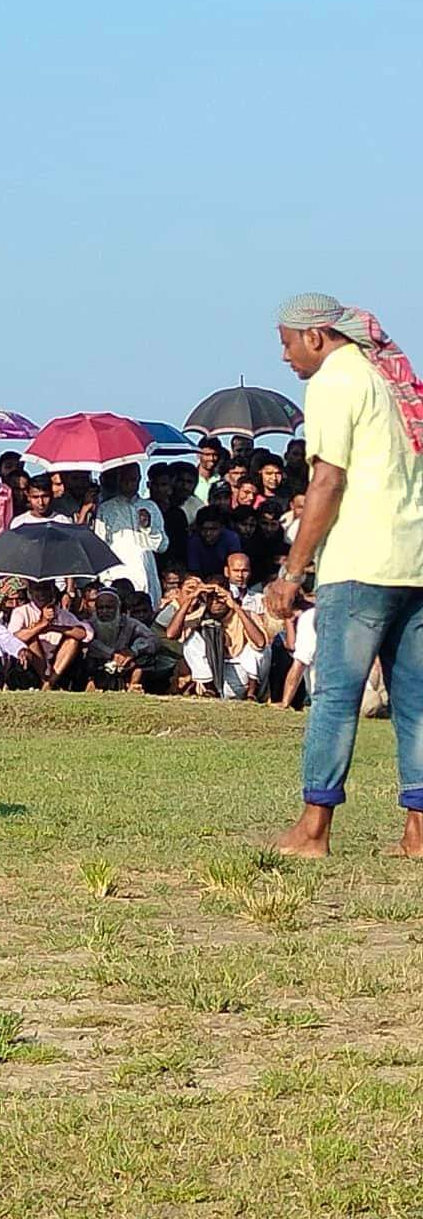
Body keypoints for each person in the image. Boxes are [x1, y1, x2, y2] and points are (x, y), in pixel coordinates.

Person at [261, 295, 423, 857]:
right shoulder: (395, 385)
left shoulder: (335, 382)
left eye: (286, 342)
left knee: (333, 696)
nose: (284, 355)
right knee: (417, 702)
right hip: (414, 562)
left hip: (360, 562)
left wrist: (292, 571)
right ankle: (418, 833)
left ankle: (313, 828)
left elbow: (328, 481)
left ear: (316, 336)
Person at [95, 463, 167, 603]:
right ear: (118, 480)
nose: (129, 484)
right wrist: (105, 579)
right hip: (117, 575)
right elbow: (100, 547)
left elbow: (161, 546)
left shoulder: (150, 507)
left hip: (146, 574)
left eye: (132, 480)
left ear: (139, 479)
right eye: (124, 480)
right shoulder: (106, 509)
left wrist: (147, 526)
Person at [8, 581, 91, 690]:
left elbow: (83, 634)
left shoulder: (63, 614)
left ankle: (50, 683)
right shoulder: (21, 612)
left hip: (58, 663)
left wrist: (54, 628)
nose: (42, 593)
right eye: (38, 589)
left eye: (46, 589)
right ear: (31, 592)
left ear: (52, 592)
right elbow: (13, 637)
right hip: (33, 662)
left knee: (72, 641)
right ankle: (45, 679)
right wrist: (42, 624)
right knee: (30, 640)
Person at [83, 588, 159, 691]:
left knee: (145, 657)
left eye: (109, 608)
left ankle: (133, 685)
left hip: (125, 664)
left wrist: (133, 651)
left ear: (118, 608)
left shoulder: (129, 623)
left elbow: (152, 639)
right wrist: (112, 654)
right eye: (101, 608)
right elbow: (88, 642)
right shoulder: (89, 624)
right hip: (97, 664)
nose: (104, 611)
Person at [186, 507, 241, 578]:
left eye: (213, 529)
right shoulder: (194, 541)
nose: (208, 533)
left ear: (222, 527)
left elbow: (236, 567)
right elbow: (194, 571)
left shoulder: (231, 538)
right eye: (204, 529)